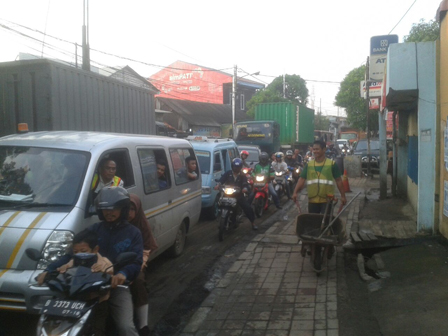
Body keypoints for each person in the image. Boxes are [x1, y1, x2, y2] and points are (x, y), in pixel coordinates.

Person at [37, 229, 113, 336]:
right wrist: (55, 272)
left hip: (95, 302)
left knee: (98, 330)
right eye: (76, 252)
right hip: (71, 303)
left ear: (95, 249)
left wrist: (104, 274)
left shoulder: (104, 263)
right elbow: (63, 269)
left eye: (83, 251)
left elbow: (111, 275)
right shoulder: (73, 261)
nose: (79, 255)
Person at [128, 194, 158, 336]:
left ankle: (143, 324)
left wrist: (138, 266)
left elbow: (147, 248)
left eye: (132, 209)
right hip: (116, 262)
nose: (129, 213)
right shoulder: (117, 223)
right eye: (126, 209)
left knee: (138, 282)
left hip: (138, 260)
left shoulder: (141, 225)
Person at [292, 140, 347, 214]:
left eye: (317, 149)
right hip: (312, 200)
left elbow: (338, 180)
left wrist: (343, 196)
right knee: (314, 223)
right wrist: (295, 192)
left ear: (324, 149)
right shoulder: (309, 165)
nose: (315, 151)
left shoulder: (332, 164)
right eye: (314, 149)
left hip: (327, 200)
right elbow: (301, 179)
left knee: (326, 223)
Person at [215, 158, 258, 229]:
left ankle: (253, 223)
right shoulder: (228, 173)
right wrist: (218, 185)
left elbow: (245, 183)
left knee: (247, 207)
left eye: (238, 167)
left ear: (240, 167)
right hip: (227, 194)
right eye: (235, 167)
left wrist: (245, 188)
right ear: (232, 166)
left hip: (238, 195)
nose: (236, 168)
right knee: (219, 202)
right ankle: (219, 216)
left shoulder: (242, 175)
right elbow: (222, 180)